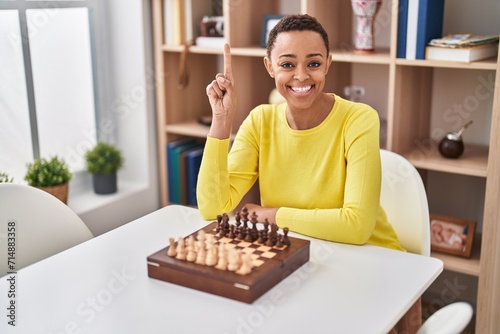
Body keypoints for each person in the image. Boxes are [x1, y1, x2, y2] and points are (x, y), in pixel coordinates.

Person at [197, 14, 403, 251]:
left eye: (314, 63)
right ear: (269, 67)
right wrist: (221, 119)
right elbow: (212, 207)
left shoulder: (359, 119)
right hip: (304, 254)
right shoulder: (260, 121)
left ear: (327, 63)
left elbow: (356, 228)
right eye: (287, 64)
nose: (302, 75)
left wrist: (272, 216)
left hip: (375, 257)